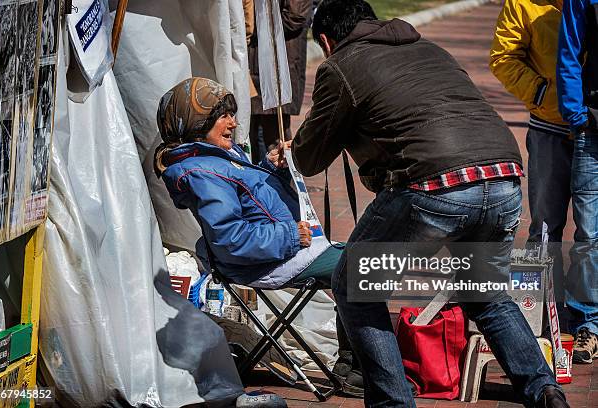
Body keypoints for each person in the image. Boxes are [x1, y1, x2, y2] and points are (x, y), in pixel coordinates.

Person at [291, 1, 568, 406]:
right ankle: (544, 391)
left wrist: (297, 147)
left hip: (436, 185)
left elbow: (309, 157)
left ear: (327, 41)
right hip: (504, 175)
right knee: (486, 294)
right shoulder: (430, 48)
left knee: (354, 286)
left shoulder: (341, 65)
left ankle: (394, 402)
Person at [154, 77, 363, 396]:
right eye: (222, 115)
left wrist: (273, 167)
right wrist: (290, 235)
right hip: (266, 260)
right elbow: (231, 239)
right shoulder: (203, 172)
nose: (233, 123)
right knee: (364, 266)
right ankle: (361, 367)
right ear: (198, 122)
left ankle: (353, 364)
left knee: (362, 260)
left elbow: (251, 203)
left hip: (282, 250)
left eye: (231, 114)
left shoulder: (216, 159)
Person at [490, 0, 571, 303]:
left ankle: (588, 311)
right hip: (550, 126)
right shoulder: (523, 3)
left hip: (594, 124)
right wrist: (543, 94)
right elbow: (503, 57)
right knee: (546, 224)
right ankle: (538, 305)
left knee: (592, 228)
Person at [556, 0, 598, 365]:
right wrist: (577, 115)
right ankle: (588, 321)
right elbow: (569, 50)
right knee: (589, 235)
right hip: (593, 128)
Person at [248, 0, 312, 163]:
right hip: (255, 63)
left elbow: (295, 17)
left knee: (274, 138)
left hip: (276, 65)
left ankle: (279, 186)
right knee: (253, 134)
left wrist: (247, 23)